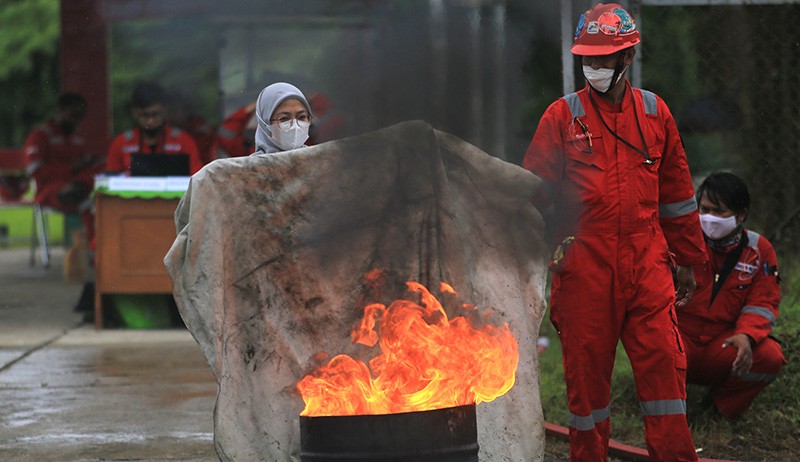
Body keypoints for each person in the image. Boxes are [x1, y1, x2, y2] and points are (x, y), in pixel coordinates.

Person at [521, 4, 706, 460]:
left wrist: (687, 259)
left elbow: (677, 194)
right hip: (584, 266)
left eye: (604, 60)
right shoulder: (562, 117)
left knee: (664, 370)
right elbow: (532, 194)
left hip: (648, 264)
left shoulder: (654, 112)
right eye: (588, 59)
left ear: (626, 59)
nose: (594, 68)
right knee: (587, 388)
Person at [677, 172, 786, 420]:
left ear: (741, 215)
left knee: (770, 356)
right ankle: (667, 410)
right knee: (655, 343)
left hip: (723, 344)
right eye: (703, 210)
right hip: (679, 338)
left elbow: (763, 302)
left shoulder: (760, 251)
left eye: (718, 212)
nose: (708, 218)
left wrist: (747, 336)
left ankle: (719, 408)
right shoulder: (681, 241)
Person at [24, 92, 103, 215]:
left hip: (79, 183)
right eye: (74, 115)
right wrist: (70, 168)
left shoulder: (77, 138)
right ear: (60, 110)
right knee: (80, 197)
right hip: (51, 189)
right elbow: (35, 170)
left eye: (80, 116)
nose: (77, 121)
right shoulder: (41, 136)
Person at [106, 83, 203, 175]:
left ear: (165, 111)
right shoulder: (121, 143)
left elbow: (197, 181)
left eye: (155, 114)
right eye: (145, 115)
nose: (150, 121)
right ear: (134, 112)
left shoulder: (183, 141)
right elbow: (110, 183)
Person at [253, 82, 313, 154]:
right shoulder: (250, 164)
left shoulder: (320, 161)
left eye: (301, 117)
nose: (295, 127)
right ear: (265, 125)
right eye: (284, 119)